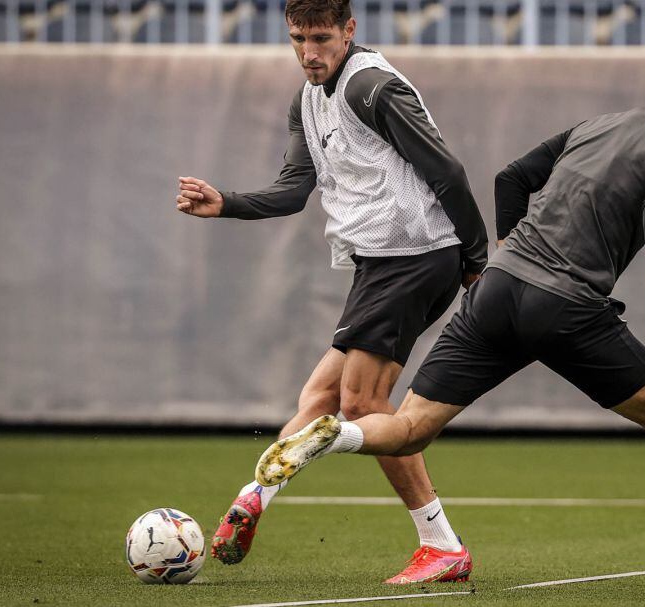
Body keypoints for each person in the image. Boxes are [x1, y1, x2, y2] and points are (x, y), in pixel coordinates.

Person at [254, 58, 645, 594]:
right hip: (565, 304)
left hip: (496, 289)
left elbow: (511, 176)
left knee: (410, 428)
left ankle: (336, 436)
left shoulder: (597, 124)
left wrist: (509, 247)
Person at [173, 0, 488, 583]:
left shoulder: (372, 88)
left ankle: (441, 545)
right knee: (318, 396)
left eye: (321, 37)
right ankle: (250, 500)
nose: (309, 52)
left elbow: (448, 173)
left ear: (349, 31)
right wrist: (228, 204)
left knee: (362, 404)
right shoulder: (307, 100)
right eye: (298, 38)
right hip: (381, 266)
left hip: (417, 257)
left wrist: (476, 262)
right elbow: (295, 190)